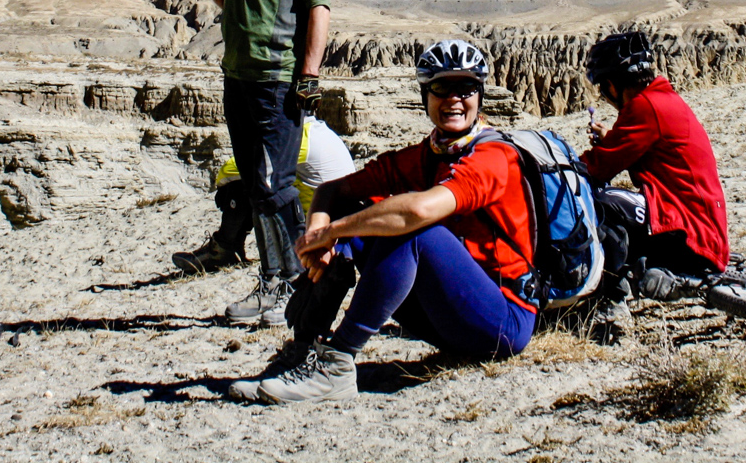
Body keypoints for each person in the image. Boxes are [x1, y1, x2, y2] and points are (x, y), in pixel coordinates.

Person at [230, 39, 537, 405]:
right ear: (426, 95)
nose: (454, 98)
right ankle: (303, 353)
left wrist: (335, 232)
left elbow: (418, 212)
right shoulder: (425, 156)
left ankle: (338, 364)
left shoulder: (493, 156)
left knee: (412, 230)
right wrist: (320, 239)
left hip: (502, 322)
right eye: (441, 87)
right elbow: (332, 191)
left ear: (480, 97)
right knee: (358, 216)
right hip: (450, 312)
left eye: (466, 88)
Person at [174, 0, 331, 326]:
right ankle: (277, 280)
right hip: (237, 76)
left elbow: (317, 6)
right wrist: (242, 13)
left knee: (276, 184)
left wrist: (308, 74)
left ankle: (296, 284)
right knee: (257, 185)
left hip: (276, 80)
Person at [581, 31, 729, 326]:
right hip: (700, 224)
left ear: (612, 84)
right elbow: (636, 148)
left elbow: (600, 167)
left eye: (603, 88)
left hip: (689, 229)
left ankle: (611, 302)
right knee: (619, 202)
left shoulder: (644, 106)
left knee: (602, 203)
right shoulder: (661, 99)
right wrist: (611, 139)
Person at [172, 117, 356, 323]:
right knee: (264, 182)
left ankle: (233, 254)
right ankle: (227, 251)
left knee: (255, 185)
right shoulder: (318, 131)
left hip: (321, 229)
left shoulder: (298, 138)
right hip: (330, 219)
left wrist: (225, 186)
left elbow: (232, 169)